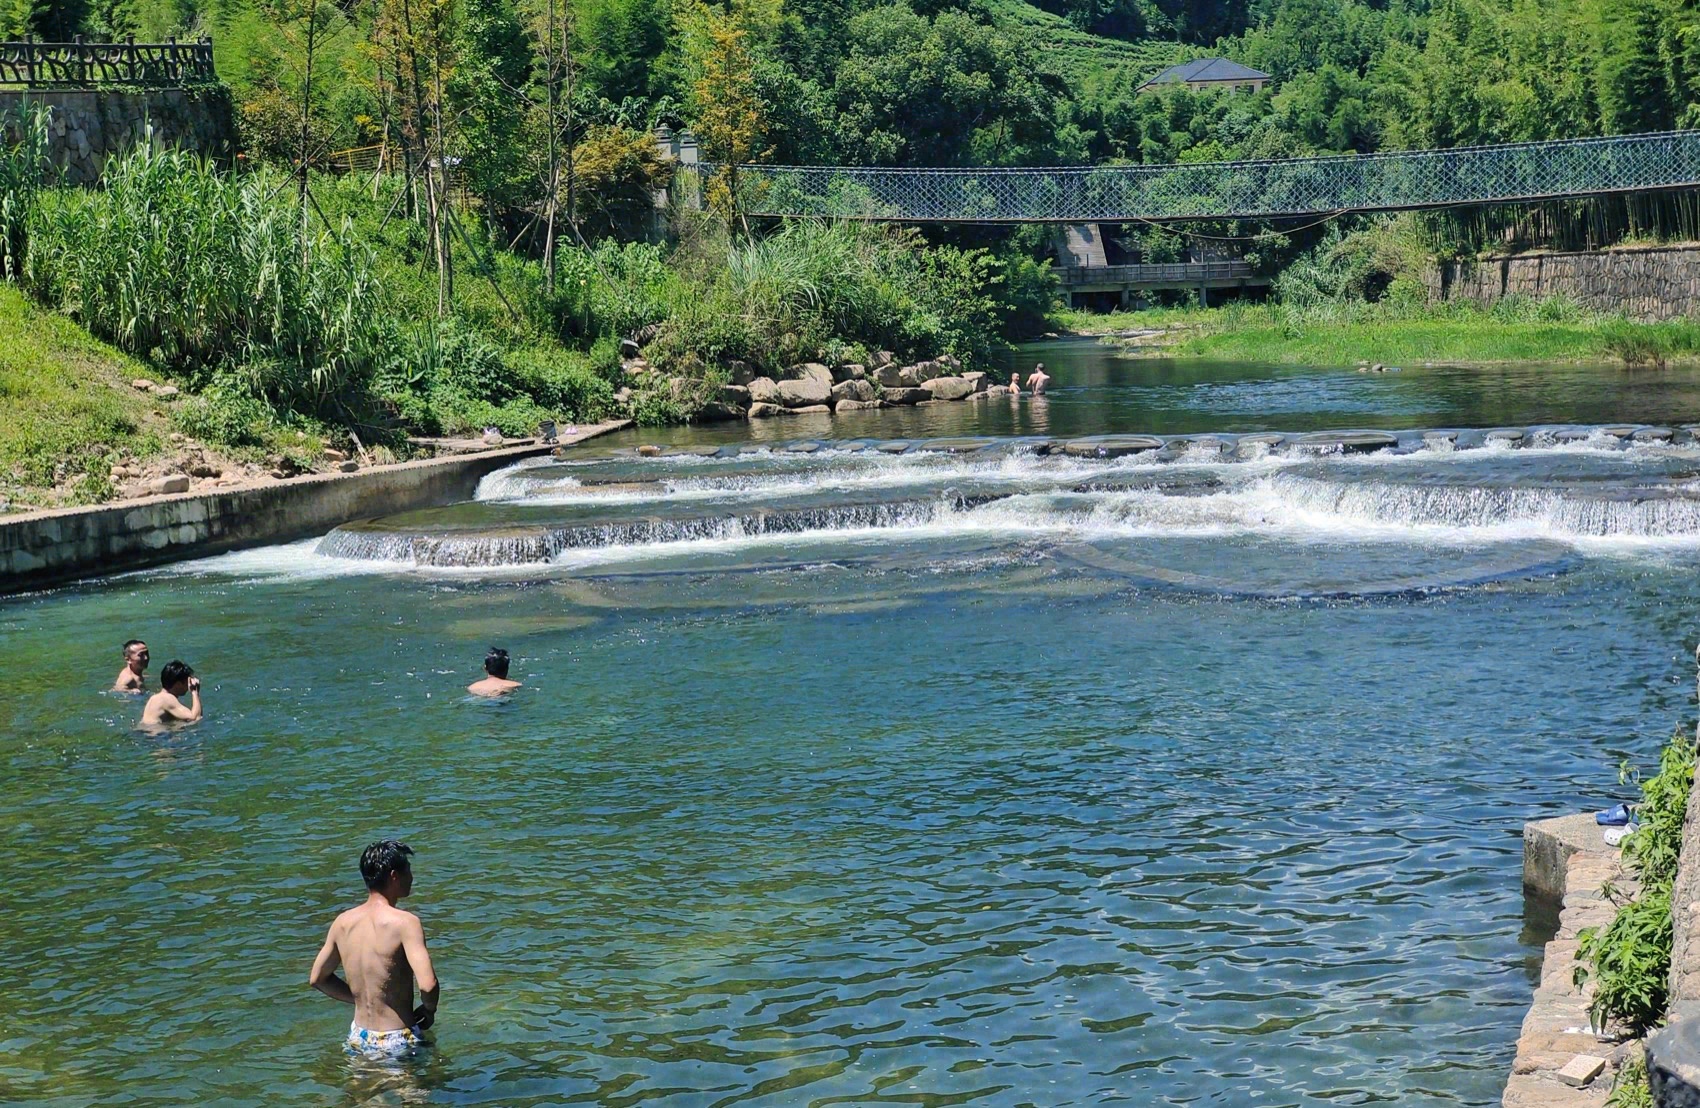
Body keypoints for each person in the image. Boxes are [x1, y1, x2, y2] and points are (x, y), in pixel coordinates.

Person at [309, 840, 439, 1060]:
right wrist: (428, 1010)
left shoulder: (343, 923)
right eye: (408, 870)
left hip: (359, 1037)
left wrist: (360, 999)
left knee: (362, 1094)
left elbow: (318, 978)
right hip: (398, 1038)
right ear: (394, 876)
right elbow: (428, 984)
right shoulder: (406, 923)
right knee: (414, 1095)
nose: (412, 877)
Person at [139, 660, 201, 727]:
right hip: (156, 736)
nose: (189, 685)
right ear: (178, 684)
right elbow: (195, 718)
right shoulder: (166, 699)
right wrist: (195, 692)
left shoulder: (155, 698)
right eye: (187, 682)